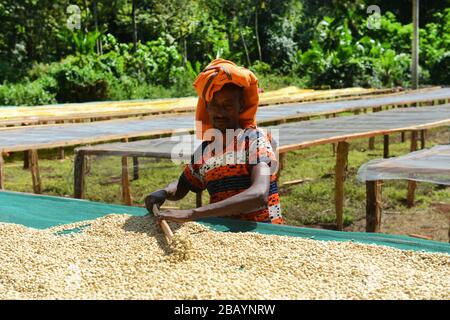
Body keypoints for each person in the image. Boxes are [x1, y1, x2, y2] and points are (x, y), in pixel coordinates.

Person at [145, 59, 284, 224]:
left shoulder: (254, 140)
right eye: (214, 105)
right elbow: (184, 185)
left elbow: (258, 195)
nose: (220, 112)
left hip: (265, 232)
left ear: (241, 106)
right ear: (207, 108)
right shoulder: (205, 150)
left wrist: (192, 213)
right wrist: (164, 193)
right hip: (223, 235)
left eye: (228, 105)